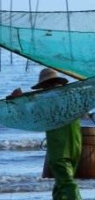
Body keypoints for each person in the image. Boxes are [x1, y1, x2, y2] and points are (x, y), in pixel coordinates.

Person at [10, 68, 82, 200]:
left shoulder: (48, 102)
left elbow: (30, 115)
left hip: (60, 150)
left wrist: (18, 101)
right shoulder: (72, 97)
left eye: (43, 87)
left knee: (67, 184)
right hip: (75, 148)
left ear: (46, 85)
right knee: (60, 185)